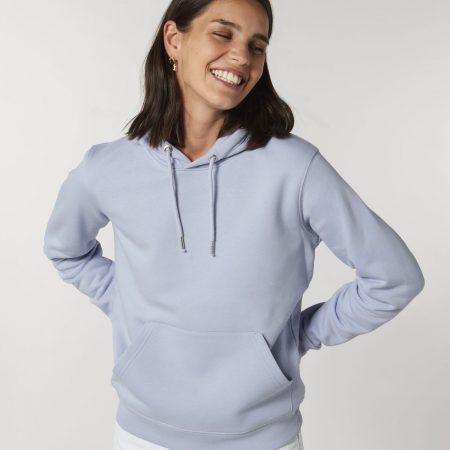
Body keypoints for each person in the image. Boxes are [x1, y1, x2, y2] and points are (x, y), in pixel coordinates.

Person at [42, 0, 425, 449]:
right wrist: (129, 306)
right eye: (223, 34)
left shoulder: (295, 168)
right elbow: (66, 250)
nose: (243, 56)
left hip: (263, 441)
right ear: (174, 40)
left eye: (257, 45)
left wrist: (298, 336)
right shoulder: (110, 167)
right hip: (142, 437)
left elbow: (394, 276)